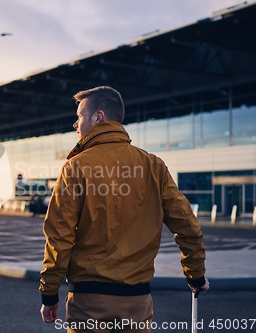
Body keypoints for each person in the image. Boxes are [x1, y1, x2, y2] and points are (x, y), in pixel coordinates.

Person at [39, 86, 209, 333]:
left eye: (79, 117)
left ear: (98, 117)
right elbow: (187, 224)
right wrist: (196, 275)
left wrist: (49, 293)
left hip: (88, 300)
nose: (75, 125)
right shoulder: (153, 166)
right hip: (137, 302)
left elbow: (59, 236)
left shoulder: (75, 168)